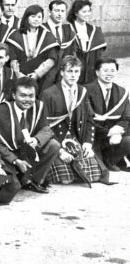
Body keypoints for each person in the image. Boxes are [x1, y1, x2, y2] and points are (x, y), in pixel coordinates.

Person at [41, 55, 105, 185]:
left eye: (76, 72)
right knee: (66, 179)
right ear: (62, 72)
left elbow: (89, 120)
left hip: (76, 138)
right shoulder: (48, 93)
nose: (73, 75)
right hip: (55, 139)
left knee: (95, 176)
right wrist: (60, 151)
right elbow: (43, 126)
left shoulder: (82, 91)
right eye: (70, 71)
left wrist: (88, 143)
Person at [0, 77, 61, 194]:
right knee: (12, 188)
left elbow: (47, 130)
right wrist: (15, 160)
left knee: (54, 145)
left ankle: (33, 181)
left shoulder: (39, 106)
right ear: (13, 95)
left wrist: (36, 139)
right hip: (8, 153)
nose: (27, 100)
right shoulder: (0, 111)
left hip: (27, 149)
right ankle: (19, 179)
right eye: (22, 95)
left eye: (31, 96)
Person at [86, 58, 130, 172]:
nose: (109, 74)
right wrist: (109, 132)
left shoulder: (122, 92)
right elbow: (87, 118)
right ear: (97, 72)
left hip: (114, 135)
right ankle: (103, 161)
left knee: (128, 140)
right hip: (93, 134)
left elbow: (126, 117)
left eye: (112, 70)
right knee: (98, 170)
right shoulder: (86, 90)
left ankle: (111, 160)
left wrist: (118, 130)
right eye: (105, 70)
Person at [6, 4, 60, 91]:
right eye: (33, 16)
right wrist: (18, 73)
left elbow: (52, 59)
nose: (36, 19)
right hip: (19, 76)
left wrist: (36, 74)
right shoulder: (16, 35)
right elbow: (13, 58)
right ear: (26, 18)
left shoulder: (48, 36)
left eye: (39, 17)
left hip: (41, 78)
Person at [68, 0, 106, 84]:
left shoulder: (95, 30)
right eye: (84, 12)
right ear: (76, 13)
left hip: (91, 71)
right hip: (74, 70)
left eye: (89, 11)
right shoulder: (67, 29)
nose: (87, 14)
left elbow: (100, 54)